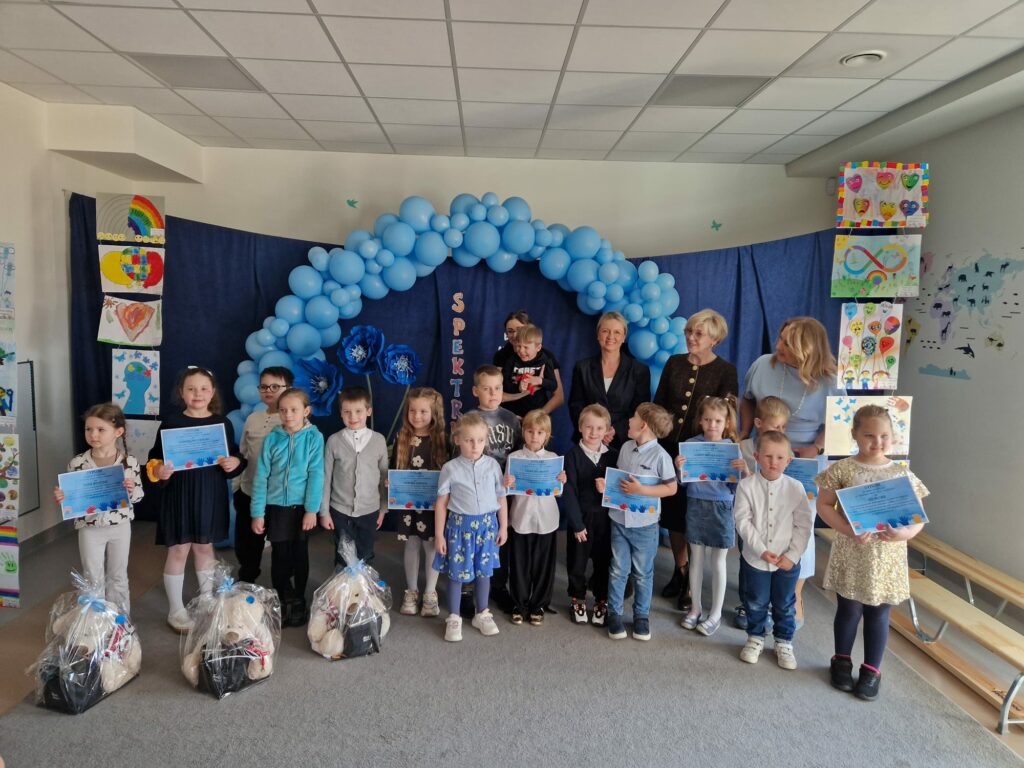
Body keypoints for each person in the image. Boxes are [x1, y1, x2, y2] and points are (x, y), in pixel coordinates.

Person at [815, 405, 928, 701]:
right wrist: (846, 528)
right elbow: (823, 505)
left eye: (884, 436)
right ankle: (841, 660)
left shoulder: (901, 473)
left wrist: (902, 534)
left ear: (893, 436)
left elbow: (918, 518)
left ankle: (871, 670)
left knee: (879, 612)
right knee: (848, 609)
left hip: (886, 557)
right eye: (869, 435)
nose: (877, 442)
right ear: (855, 434)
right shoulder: (842, 469)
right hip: (852, 550)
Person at [740, 316, 845, 628]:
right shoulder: (763, 365)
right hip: (765, 454)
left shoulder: (830, 380)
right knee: (758, 519)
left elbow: (838, 422)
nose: (779, 345)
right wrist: (744, 434)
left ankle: (793, 596)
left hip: (803, 459)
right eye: (780, 338)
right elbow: (747, 401)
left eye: (788, 343)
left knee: (799, 525)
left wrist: (817, 446)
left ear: (808, 349)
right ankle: (754, 596)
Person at [653, 309, 738, 609]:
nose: (690, 337)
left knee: (695, 513)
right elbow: (659, 403)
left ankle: (693, 581)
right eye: (689, 331)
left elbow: (727, 414)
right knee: (673, 514)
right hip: (669, 449)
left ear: (714, 339)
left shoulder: (726, 370)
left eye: (698, 334)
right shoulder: (674, 363)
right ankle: (681, 570)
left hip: (703, 454)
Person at [149, 367, 245, 632]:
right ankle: (176, 610)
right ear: (181, 393)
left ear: (212, 392)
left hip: (209, 494)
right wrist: (159, 470)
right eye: (191, 389)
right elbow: (154, 458)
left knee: (204, 547)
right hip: (178, 495)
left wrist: (235, 462)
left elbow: (234, 456)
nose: (197, 394)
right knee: (179, 550)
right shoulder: (171, 423)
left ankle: (206, 599)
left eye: (204, 388)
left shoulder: (222, 424)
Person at [596, 403, 677, 641]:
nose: (628, 420)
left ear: (643, 425)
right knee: (618, 569)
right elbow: (619, 481)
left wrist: (642, 490)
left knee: (642, 573)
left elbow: (671, 488)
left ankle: (641, 616)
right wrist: (606, 487)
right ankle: (614, 613)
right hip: (619, 520)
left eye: (633, 417)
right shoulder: (625, 447)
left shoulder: (661, 456)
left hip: (645, 525)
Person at [733, 430, 813, 670]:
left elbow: (803, 525)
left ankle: (784, 641)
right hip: (755, 559)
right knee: (755, 601)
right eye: (768, 456)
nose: (773, 462)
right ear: (757, 457)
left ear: (788, 460)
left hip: (787, 560)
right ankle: (755, 637)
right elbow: (742, 521)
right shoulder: (746, 486)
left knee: (785, 603)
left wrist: (793, 555)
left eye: (780, 458)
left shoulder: (796, 488)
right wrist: (760, 549)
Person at [54, 403, 143, 614]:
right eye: (89, 429)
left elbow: (139, 496)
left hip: (120, 527)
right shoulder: (77, 463)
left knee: (118, 575)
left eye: (101, 429)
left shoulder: (129, 462)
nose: (93, 434)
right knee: (92, 577)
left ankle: (120, 619)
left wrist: (131, 490)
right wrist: (63, 497)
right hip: (89, 528)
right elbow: (73, 500)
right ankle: (96, 622)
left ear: (118, 432)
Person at [249, 388, 324, 628]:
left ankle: (299, 598)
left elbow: (316, 475)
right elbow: (261, 476)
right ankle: (281, 598)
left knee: (300, 553)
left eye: (294, 410)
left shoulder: (314, 438)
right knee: (280, 555)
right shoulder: (272, 439)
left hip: (301, 507)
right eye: (283, 410)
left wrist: (311, 510)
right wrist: (257, 513)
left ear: (306, 411)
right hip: (276, 507)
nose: (288, 415)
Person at [433, 413, 508, 642]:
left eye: (480, 440)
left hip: (487, 529)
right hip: (459, 530)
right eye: (469, 440)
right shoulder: (450, 468)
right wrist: (439, 535)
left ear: (486, 441)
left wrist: (503, 527)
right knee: (457, 574)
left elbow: (501, 498)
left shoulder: (493, 466)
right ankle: (454, 617)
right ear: (458, 440)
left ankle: (482, 612)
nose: (475, 446)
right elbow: (441, 504)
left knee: (484, 572)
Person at [676, 396, 747, 637]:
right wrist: (680, 468)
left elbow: (739, 488)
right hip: (696, 504)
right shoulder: (690, 445)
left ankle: (715, 614)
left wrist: (744, 471)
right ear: (700, 421)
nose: (712, 425)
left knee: (718, 561)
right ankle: (695, 609)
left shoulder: (732, 449)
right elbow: (683, 483)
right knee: (696, 558)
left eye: (717, 421)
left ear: (726, 423)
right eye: (707, 419)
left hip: (722, 507)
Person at [467, 364, 522, 613]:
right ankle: (469, 588)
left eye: (498, 388)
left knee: (501, 537)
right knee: (473, 538)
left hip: (504, 492)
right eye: (487, 389)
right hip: (476, 491)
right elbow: (457, 456)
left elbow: (520, 455)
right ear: (476, 391)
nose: (493, 393)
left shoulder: (511, 419)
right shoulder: (469, 419)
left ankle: (499, 586)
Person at [504, 410, 566, 626]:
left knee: (543, 565)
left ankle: (538, 604)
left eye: (540, 432)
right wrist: (506, 483)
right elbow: (506, 491)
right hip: (520, 518)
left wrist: (561, 481)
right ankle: (519, 604)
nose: (534, 436)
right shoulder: (514, 458)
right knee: (519, 564)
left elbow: (558, 493)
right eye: (530, 431)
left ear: (547, 435)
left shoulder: (553, 459)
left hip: (547, 520)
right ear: (523, 432)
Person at [735, 395, 791, 629]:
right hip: (750, 514)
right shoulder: (743, 448)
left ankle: (768, 605)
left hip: (776, 517)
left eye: (783, 427)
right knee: (748, 556)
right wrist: (745, 472)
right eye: (775, 426)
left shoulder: (785, 450)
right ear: (758, 423)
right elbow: (739, 483)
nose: (780, 431)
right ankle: (746, 602)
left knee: (774, 558)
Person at [391, 387, 448, 618]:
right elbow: (395, 469)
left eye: (424, 411)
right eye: (412, 410)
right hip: (408, 505)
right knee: (412, 544)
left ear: (434, 412)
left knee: (431, 545)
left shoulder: (442, 440)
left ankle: (430, 592)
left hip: (433, 507)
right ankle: (412, 590)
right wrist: (390, 483)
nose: (417, 416)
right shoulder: (402, 437)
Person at [234, 366, 293, 584]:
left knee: (283, 548)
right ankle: (246, 584)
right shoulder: (253, 418)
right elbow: (243, 453)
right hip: (249, 492)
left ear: (289, 388)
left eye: (275, 386)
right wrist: (237, 487)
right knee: (248, 544)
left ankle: (283, 589)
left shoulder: (294, 420)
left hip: (280, 497)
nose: (269, 391)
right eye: (264, 386)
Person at [320, 386, 388, 570]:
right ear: (341, 413)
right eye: (347, 412)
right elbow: (326, 478)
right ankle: (341, 587)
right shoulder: (334, 441)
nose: (353, 416)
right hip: (340, 510)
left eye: (358, 411)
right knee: (343, 554)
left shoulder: (379, 440)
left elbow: (383, 477)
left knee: (366, 553)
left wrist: (383, 509)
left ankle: (364, 588)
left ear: (368, 411)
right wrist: (324, 512)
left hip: (370, 509)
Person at [563, 404, 619, 626]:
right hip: (581, 520)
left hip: (606, 520)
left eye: (599, 428)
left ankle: (601, 599)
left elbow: (621, 489)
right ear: (580, 427)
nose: (593, 432)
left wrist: (608, 489)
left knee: (603, 561)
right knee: (577, 561)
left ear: (607, 430)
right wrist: (577, 524)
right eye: (588, 427)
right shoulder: (572, 456)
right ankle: (577, 598)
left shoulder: (613, 456)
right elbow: (569, 491)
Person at [568, 311, 651, 449]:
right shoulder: (582, 367)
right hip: (589, 441)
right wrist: (595, 431)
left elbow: (640, 410)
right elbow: (576, 405)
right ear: (598, 335)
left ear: (624, 337)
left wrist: (615, 430)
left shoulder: (639, 370)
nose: (611, 336)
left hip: (624, 443)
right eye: (605, 331)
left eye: (617, 332)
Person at [501, 324, 559, 417]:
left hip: (537, 412)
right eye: (518, 346)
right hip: (514, 412)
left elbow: (553, 385)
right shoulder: (511, 361)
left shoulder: (545, 360)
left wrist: (540, 381)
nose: (521, 350)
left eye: (526, 347)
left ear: (538, 348)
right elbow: (504, 384)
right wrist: (518, 387)